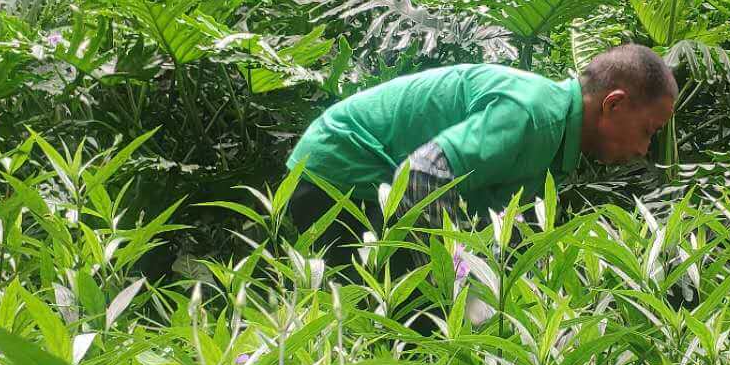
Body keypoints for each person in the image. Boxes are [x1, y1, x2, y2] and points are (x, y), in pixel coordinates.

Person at [284, 44, 677, 270]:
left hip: (372, 181)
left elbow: (508, 238)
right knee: (381, 329)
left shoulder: (556, 139)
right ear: (614, 104)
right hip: (341, 173)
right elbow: (422, 176)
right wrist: (465, 275)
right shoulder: (532, 115)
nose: (644, 150)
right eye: (649, 131)